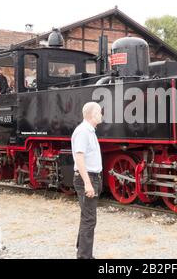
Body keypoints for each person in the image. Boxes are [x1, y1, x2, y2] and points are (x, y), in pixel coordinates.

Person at [72, 102, 103, 259]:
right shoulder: (83, 131)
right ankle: (84, 256)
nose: (101, 114)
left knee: (87, 216)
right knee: (89, 219)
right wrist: (88, 183)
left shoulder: (90, 131)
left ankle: (81, 250)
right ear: (92, 114)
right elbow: (79, 157)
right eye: (99, 112)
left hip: (92, 176)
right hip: (87, 177)